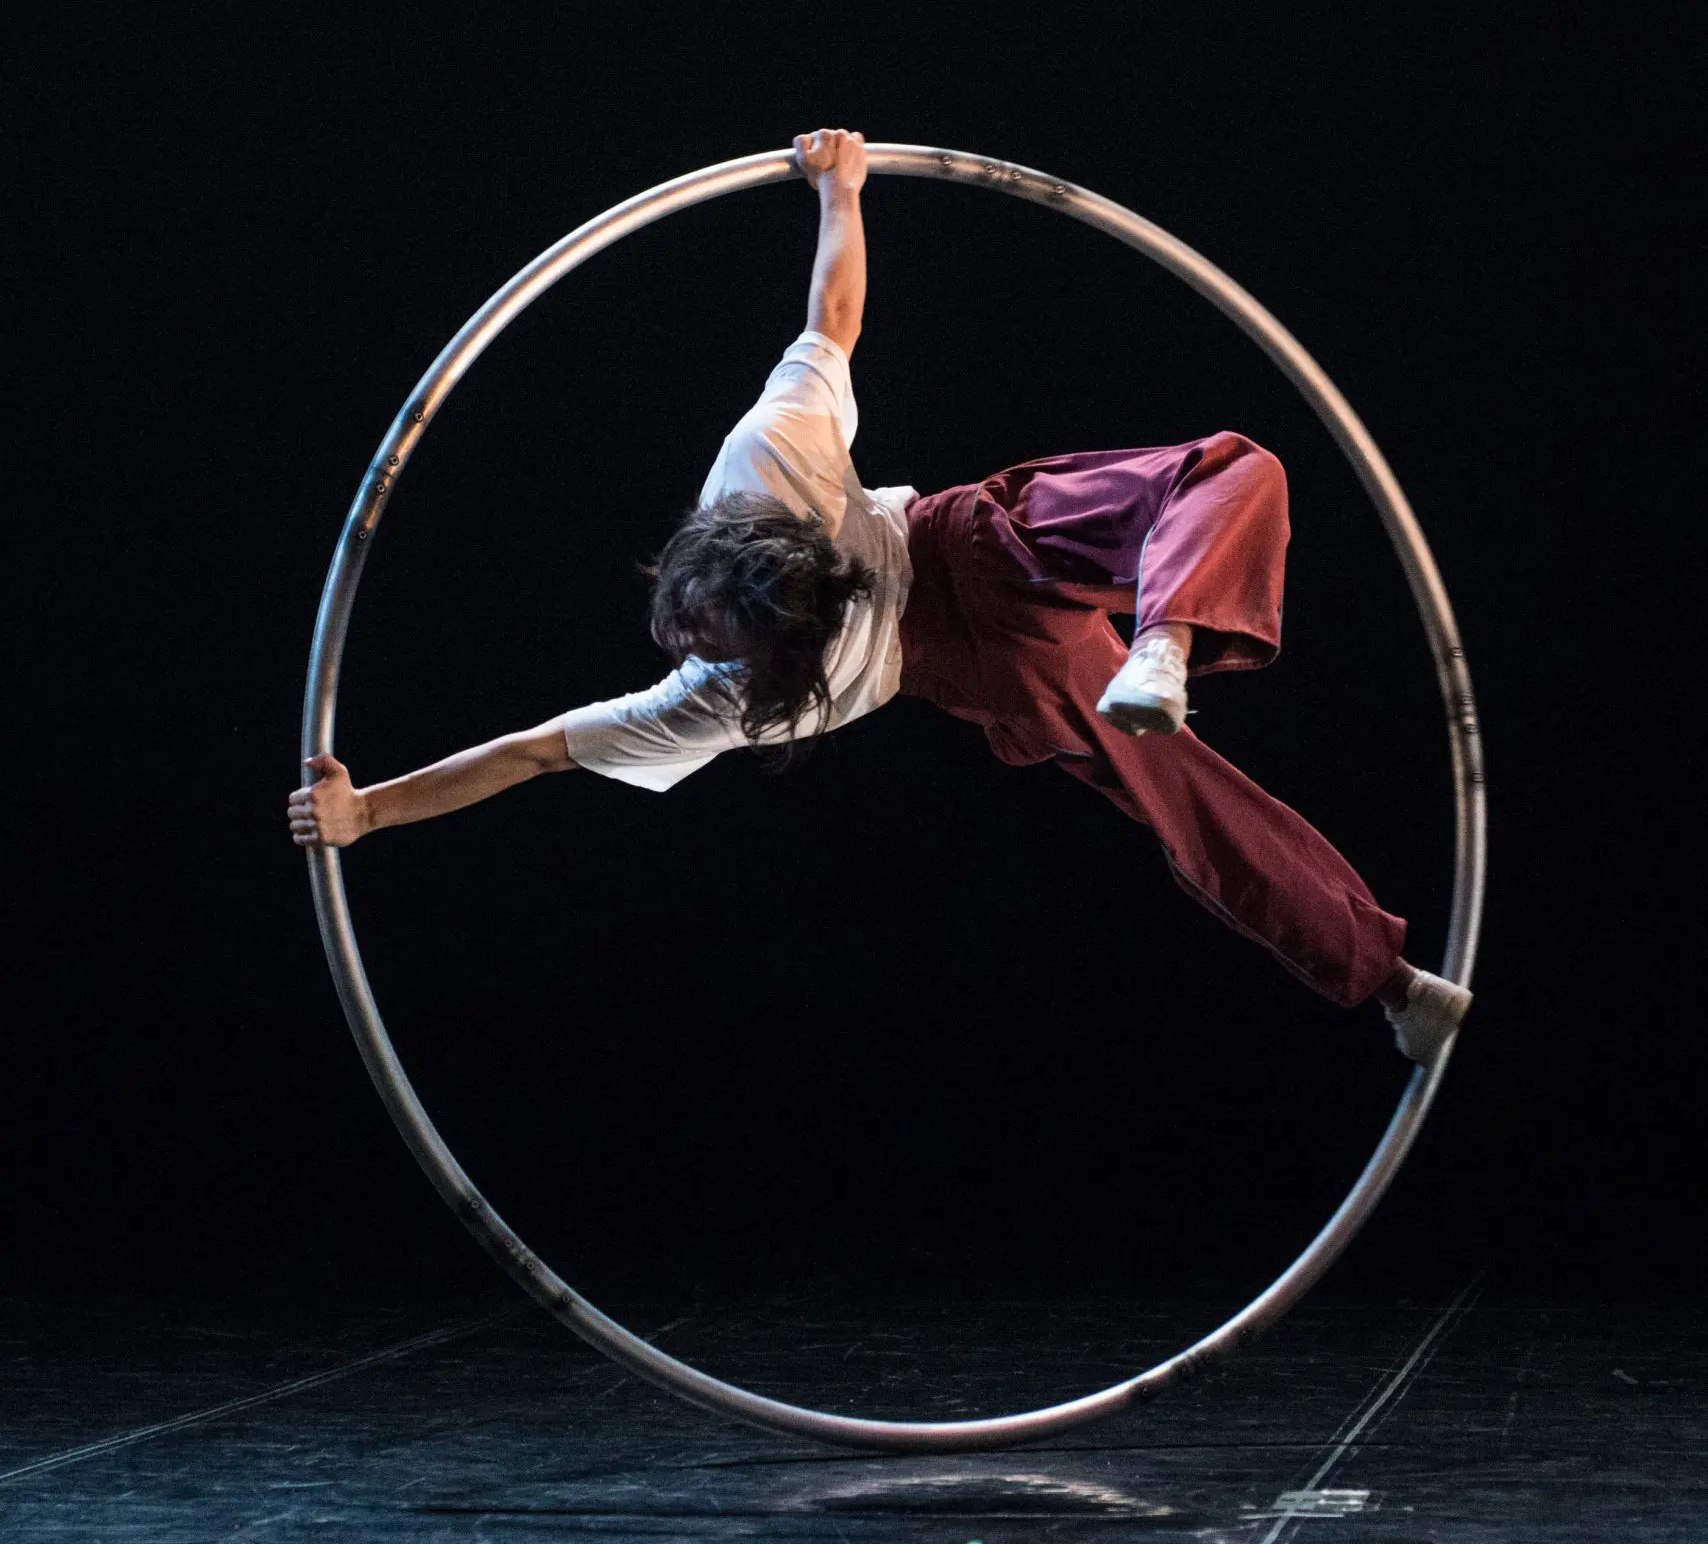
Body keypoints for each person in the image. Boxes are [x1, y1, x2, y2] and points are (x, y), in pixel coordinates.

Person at [288, 127, 1472, 1066]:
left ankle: (1163, 645)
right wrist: (840, 190)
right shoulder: (757, 510)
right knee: (1188, 755)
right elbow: (833, 321)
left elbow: (537, 751)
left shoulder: (754, 560)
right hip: (988, 644)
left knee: (1219, 486)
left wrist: (371, 813)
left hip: (969, 561)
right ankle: (1387, 981)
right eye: (701, 626)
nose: (684, 633)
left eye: (697, 620)